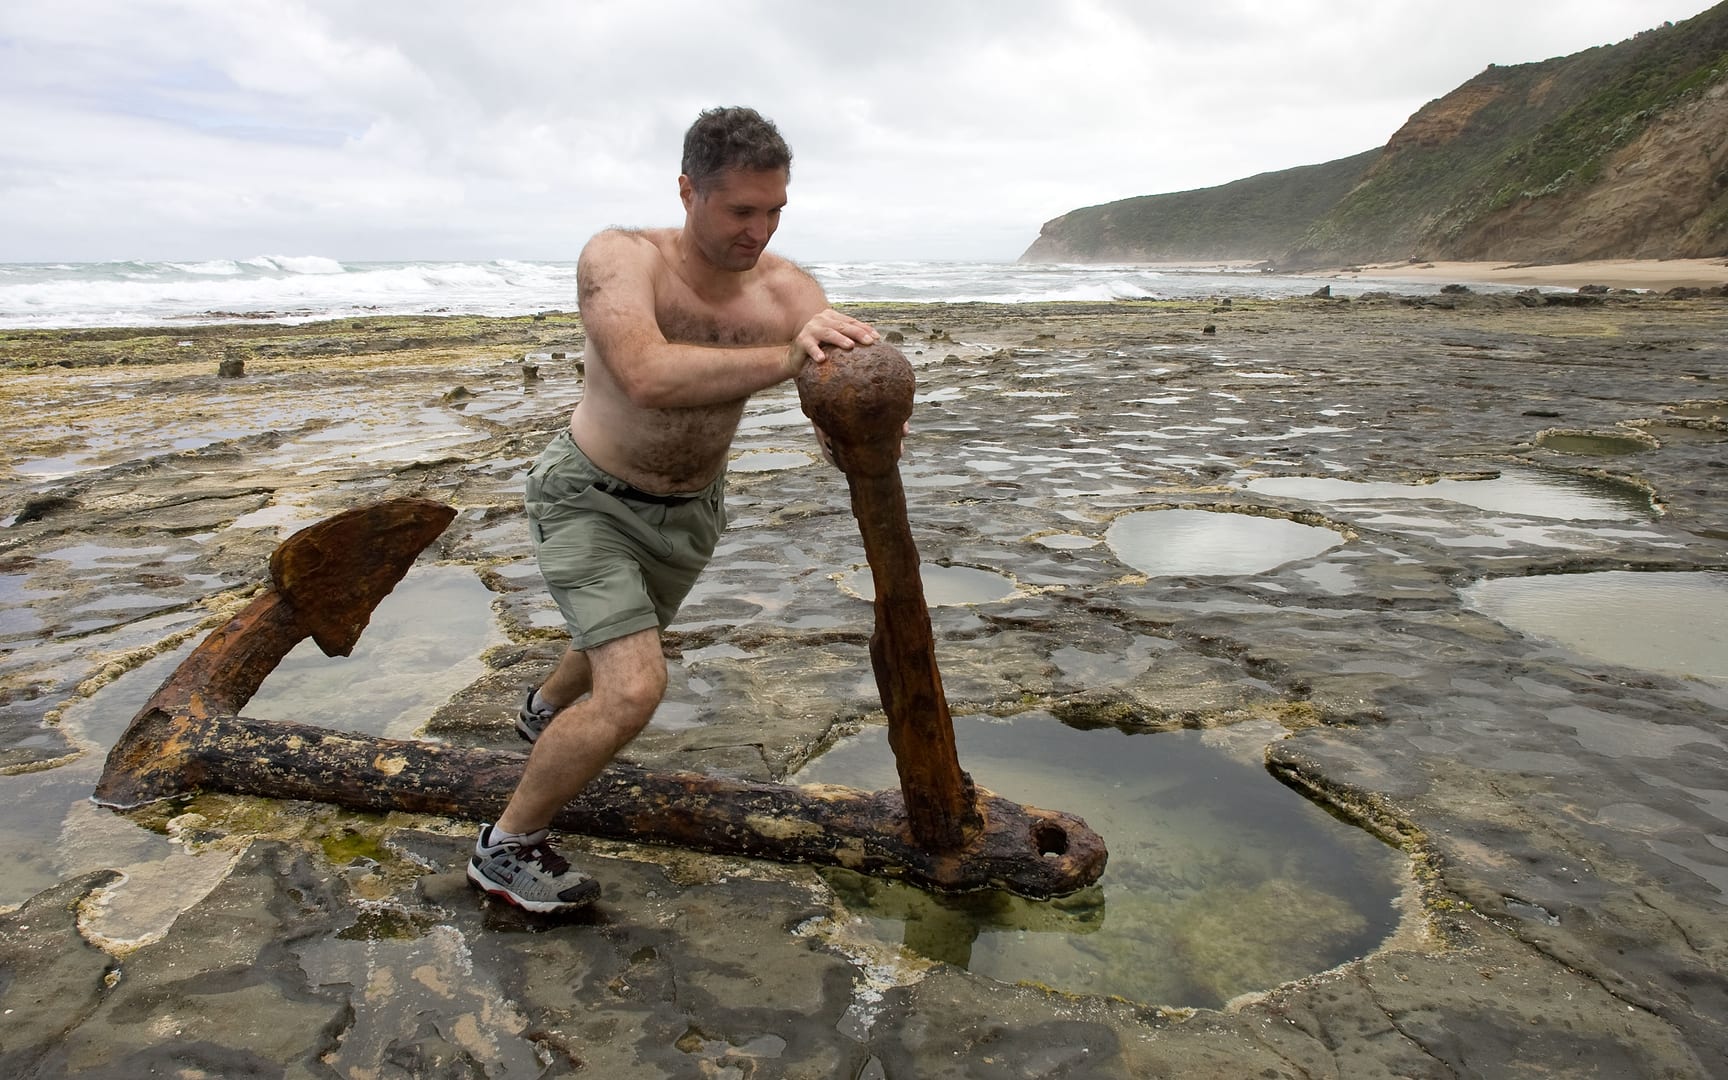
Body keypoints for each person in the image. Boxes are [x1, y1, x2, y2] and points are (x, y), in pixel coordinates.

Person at [468, 106, 878, 913]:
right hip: (589, 498)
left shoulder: (789, 289)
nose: (757, 231)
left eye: (774, 212)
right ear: (689, 190)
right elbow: (646, 374)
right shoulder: (622, 258)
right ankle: (504, 847)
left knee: (619, 635)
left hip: (691, 512)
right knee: (633, 686)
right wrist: (786, 357)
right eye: (740, 211)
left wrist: (852, 424)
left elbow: (829, 386)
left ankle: (543, 708)